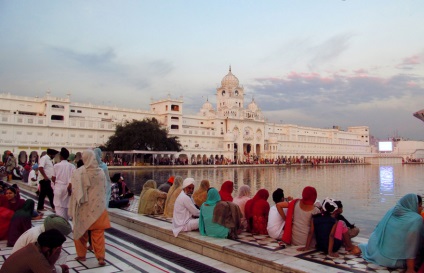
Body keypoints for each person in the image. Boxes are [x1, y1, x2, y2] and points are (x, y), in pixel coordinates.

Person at [358, 194, 422, 273]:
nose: (421, 208)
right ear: (413, 205)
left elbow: (379, 228)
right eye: (419, 205)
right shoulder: (416, 219)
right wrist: (410, 268)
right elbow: (412, 244)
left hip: (374, 251)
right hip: (391, 260)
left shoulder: (392, 210)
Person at [69, 149, 111, 266]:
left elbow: (75, 190)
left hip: (84, 208)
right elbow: (104, 187)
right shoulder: (101, 172)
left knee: (80, 231)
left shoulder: (79, 172)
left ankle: (81, 255)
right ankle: (101, 258)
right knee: (98, 234)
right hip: (98, 207)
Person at [0, 229, 69, 273]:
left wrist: (61, 269)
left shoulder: (34, 246)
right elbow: (46, 266)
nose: (59, 254)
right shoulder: (38, 258)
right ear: (56, 249)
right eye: (59, 251)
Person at [52, 147, 76, 220]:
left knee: (59, 207)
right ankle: (65, 224)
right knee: (66, 208)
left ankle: (60, 225)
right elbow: (73, 179)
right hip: (68, 188)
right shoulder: (72, 166)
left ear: (60, 156)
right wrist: (69, 188)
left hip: (59, 187)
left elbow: (53, 178)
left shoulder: (56, 165)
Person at [37, 148, 59, 213]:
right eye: (54, 155)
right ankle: (53, 207)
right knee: (50, 194)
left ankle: (40, 207)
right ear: (51, 154)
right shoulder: (44, 158)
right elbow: (40, 168)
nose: (54, 156)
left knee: (43, 194)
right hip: (44, 180)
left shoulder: (49, 160)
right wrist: (45, 177)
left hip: (47, 179)